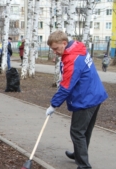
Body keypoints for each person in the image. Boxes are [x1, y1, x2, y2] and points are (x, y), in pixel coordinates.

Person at [45, 30, 108, 169]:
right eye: (52, 49)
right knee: (84, 130)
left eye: (56, 48)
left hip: (86, 98)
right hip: (94, 94)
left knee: (77, 132)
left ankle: (84, 165)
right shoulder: (78, 48)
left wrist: (53, 105)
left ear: (64, 43)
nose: (55, 52)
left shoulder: (72, 59)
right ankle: (79, 153)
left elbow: (66, 86)